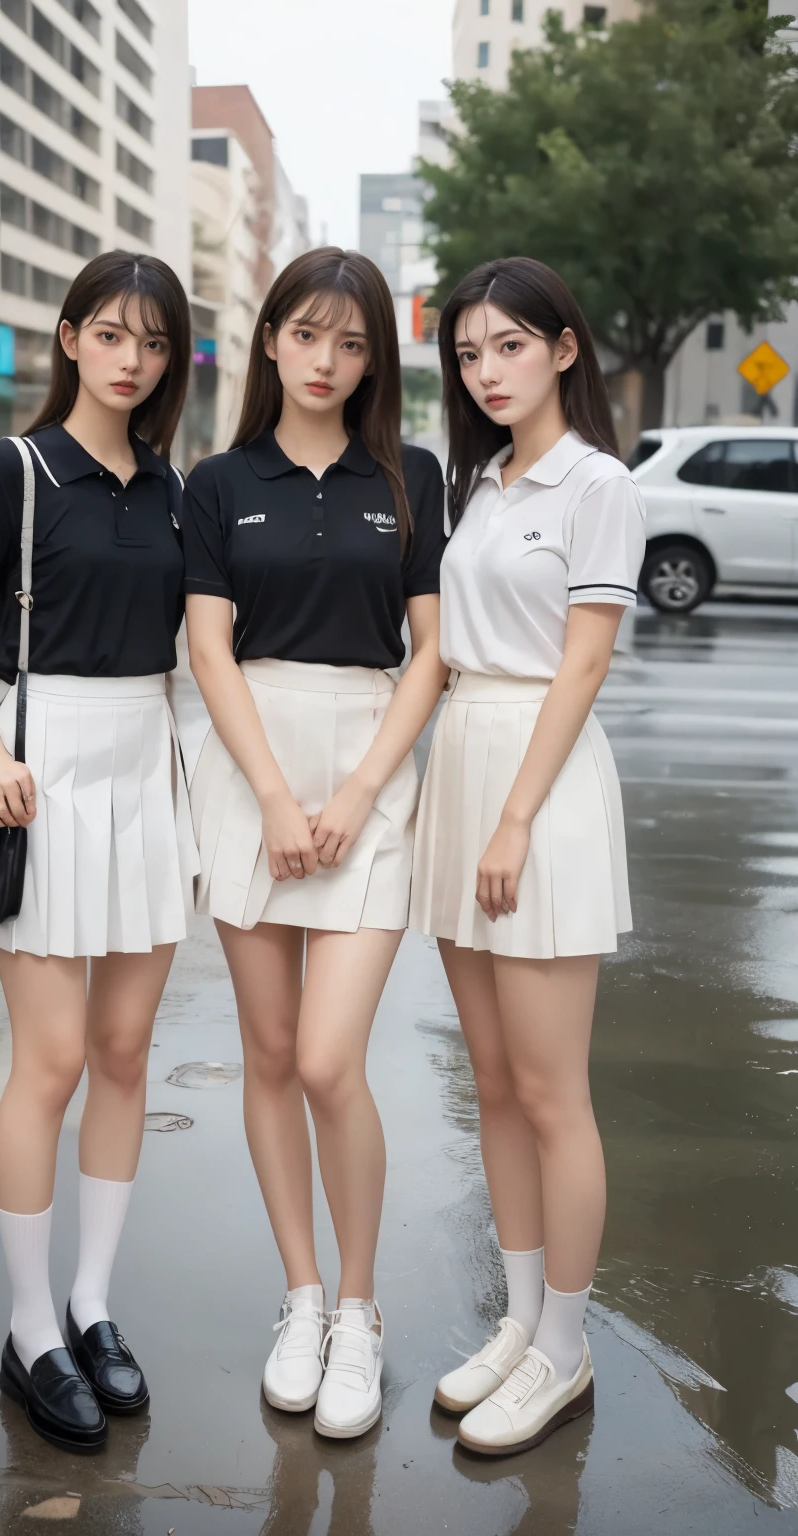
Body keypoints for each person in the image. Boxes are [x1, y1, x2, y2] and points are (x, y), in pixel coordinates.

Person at [0, 251, 196, 1453]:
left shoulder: (173, 486)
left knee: (126, 1049)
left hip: (146, 766)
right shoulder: (17, 467)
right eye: (113, 335)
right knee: (49, 1063)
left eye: (154, 342)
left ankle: (94, 1304)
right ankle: (31, 1323)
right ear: (72, 337)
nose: (133, 359)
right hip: (43, 767)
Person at [182, 248, 448, 1440]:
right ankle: (300, 1300)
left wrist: (353, 793)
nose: (327, 362)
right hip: (252, 773)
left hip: (371, 770)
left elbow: (431, 651)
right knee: (274, 1056)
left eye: (352, 345)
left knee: (333, 1062)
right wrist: (280, 798)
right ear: (271, 341)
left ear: (373, 359)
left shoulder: (412, 476)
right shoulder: (217, 479)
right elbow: (207, 649)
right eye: (306, 336)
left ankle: (359, 1308)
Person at [410, 256, 645, 1455]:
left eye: (508, 345)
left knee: (554, 1091)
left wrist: (510, 819)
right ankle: (519, 1321)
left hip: (537, 787)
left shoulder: (593, 482)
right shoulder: (485, 481)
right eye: (467, 353)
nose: (485, 370)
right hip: (464, 758)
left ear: (563, 348)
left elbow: (586, 662)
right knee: (492, 1082)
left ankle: (565, 1341)